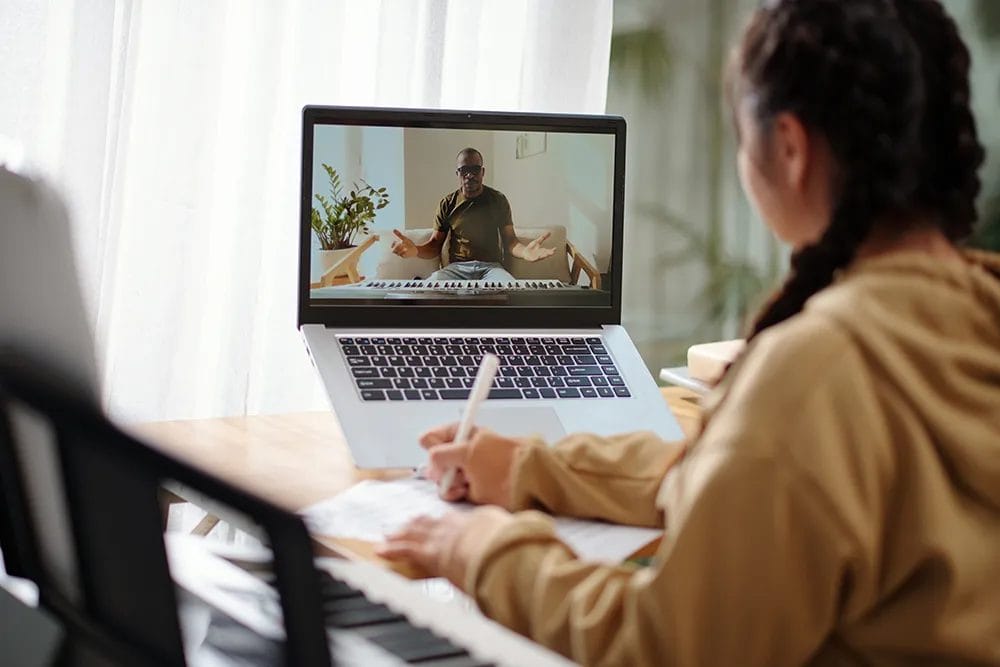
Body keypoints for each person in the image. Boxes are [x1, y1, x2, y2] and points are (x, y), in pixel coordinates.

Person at [377, 1, 1000, 664]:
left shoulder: (818, 370)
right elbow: (745, 481)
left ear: (789, 147)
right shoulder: (974, 308)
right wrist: (534, 467)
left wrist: (482, 550)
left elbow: (666, 646)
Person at [390, 147, 555, 282]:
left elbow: (511, 241)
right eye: (464, 170)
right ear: (458, 174)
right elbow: (435, 245)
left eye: (475, 169)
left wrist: (525, 252)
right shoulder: (447, 203)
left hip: (491, 268)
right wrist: (416, 250)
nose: (470, 175)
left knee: (510, 292)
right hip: (456, 270)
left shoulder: (498, 199)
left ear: (482, 172)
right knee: (428, 291)